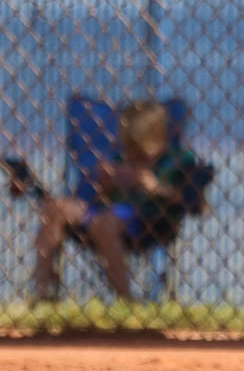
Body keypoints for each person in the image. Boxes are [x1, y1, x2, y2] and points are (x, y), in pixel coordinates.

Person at [33, 100, 205, 301]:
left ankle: (125, 299)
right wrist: (108, 181)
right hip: (105, 211)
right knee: (56, 207)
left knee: (104, 224)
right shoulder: (122, 159)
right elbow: (99, 197)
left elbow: (192, 202)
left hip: (147, 219)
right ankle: (41, 292)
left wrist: (154, 187)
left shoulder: (180, 159)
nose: (137, 154)